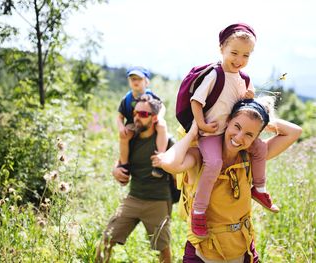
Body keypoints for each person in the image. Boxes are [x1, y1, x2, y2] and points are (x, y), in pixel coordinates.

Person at [152, 97, 302, 262]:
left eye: (249, 134)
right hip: (202, 252)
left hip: (243, 250)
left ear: (255, 138)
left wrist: (260, 118)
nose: (238, 137)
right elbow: (170, 164)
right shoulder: (200, 156)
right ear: (227, 121)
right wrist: (194, 131)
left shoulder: (251, 157)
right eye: (237, 126)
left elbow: (295, 132)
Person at [189, 23, 278, 237]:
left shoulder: (243, 78)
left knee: (259, 149)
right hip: (211, 133)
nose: (239, 60)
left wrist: (249, 97)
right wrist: (201, 124)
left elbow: (245, 105)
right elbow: (196, 100)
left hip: (230, 131)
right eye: (234, 53)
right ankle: (198, 210)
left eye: (245, 55)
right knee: (214, 163)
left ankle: (259, 189)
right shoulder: (214, 74)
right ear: (222, 49)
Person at [96, 94, 173, 263]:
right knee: (105, 242)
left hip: (158, 201)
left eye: (143, 114)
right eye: (135, 113)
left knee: (164, 251)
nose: (137, 117)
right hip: (133, 198)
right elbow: (121, 162)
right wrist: (115, 170)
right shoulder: (131, 139)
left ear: (154, 118)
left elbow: (177, 165)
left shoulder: (166, 140)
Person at [117, 66, 168, 177]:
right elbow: (119, 116)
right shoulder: (127, 99)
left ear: (146, 82)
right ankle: (124, 165)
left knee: (162, 125)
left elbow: (162, 106)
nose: (136, 82)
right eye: (132, 79)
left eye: (139, 79)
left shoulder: (151, 96)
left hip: (150, 122)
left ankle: (160, 159)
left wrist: (159, 117)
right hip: (133, 124)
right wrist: (121, 127)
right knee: (124, 136)